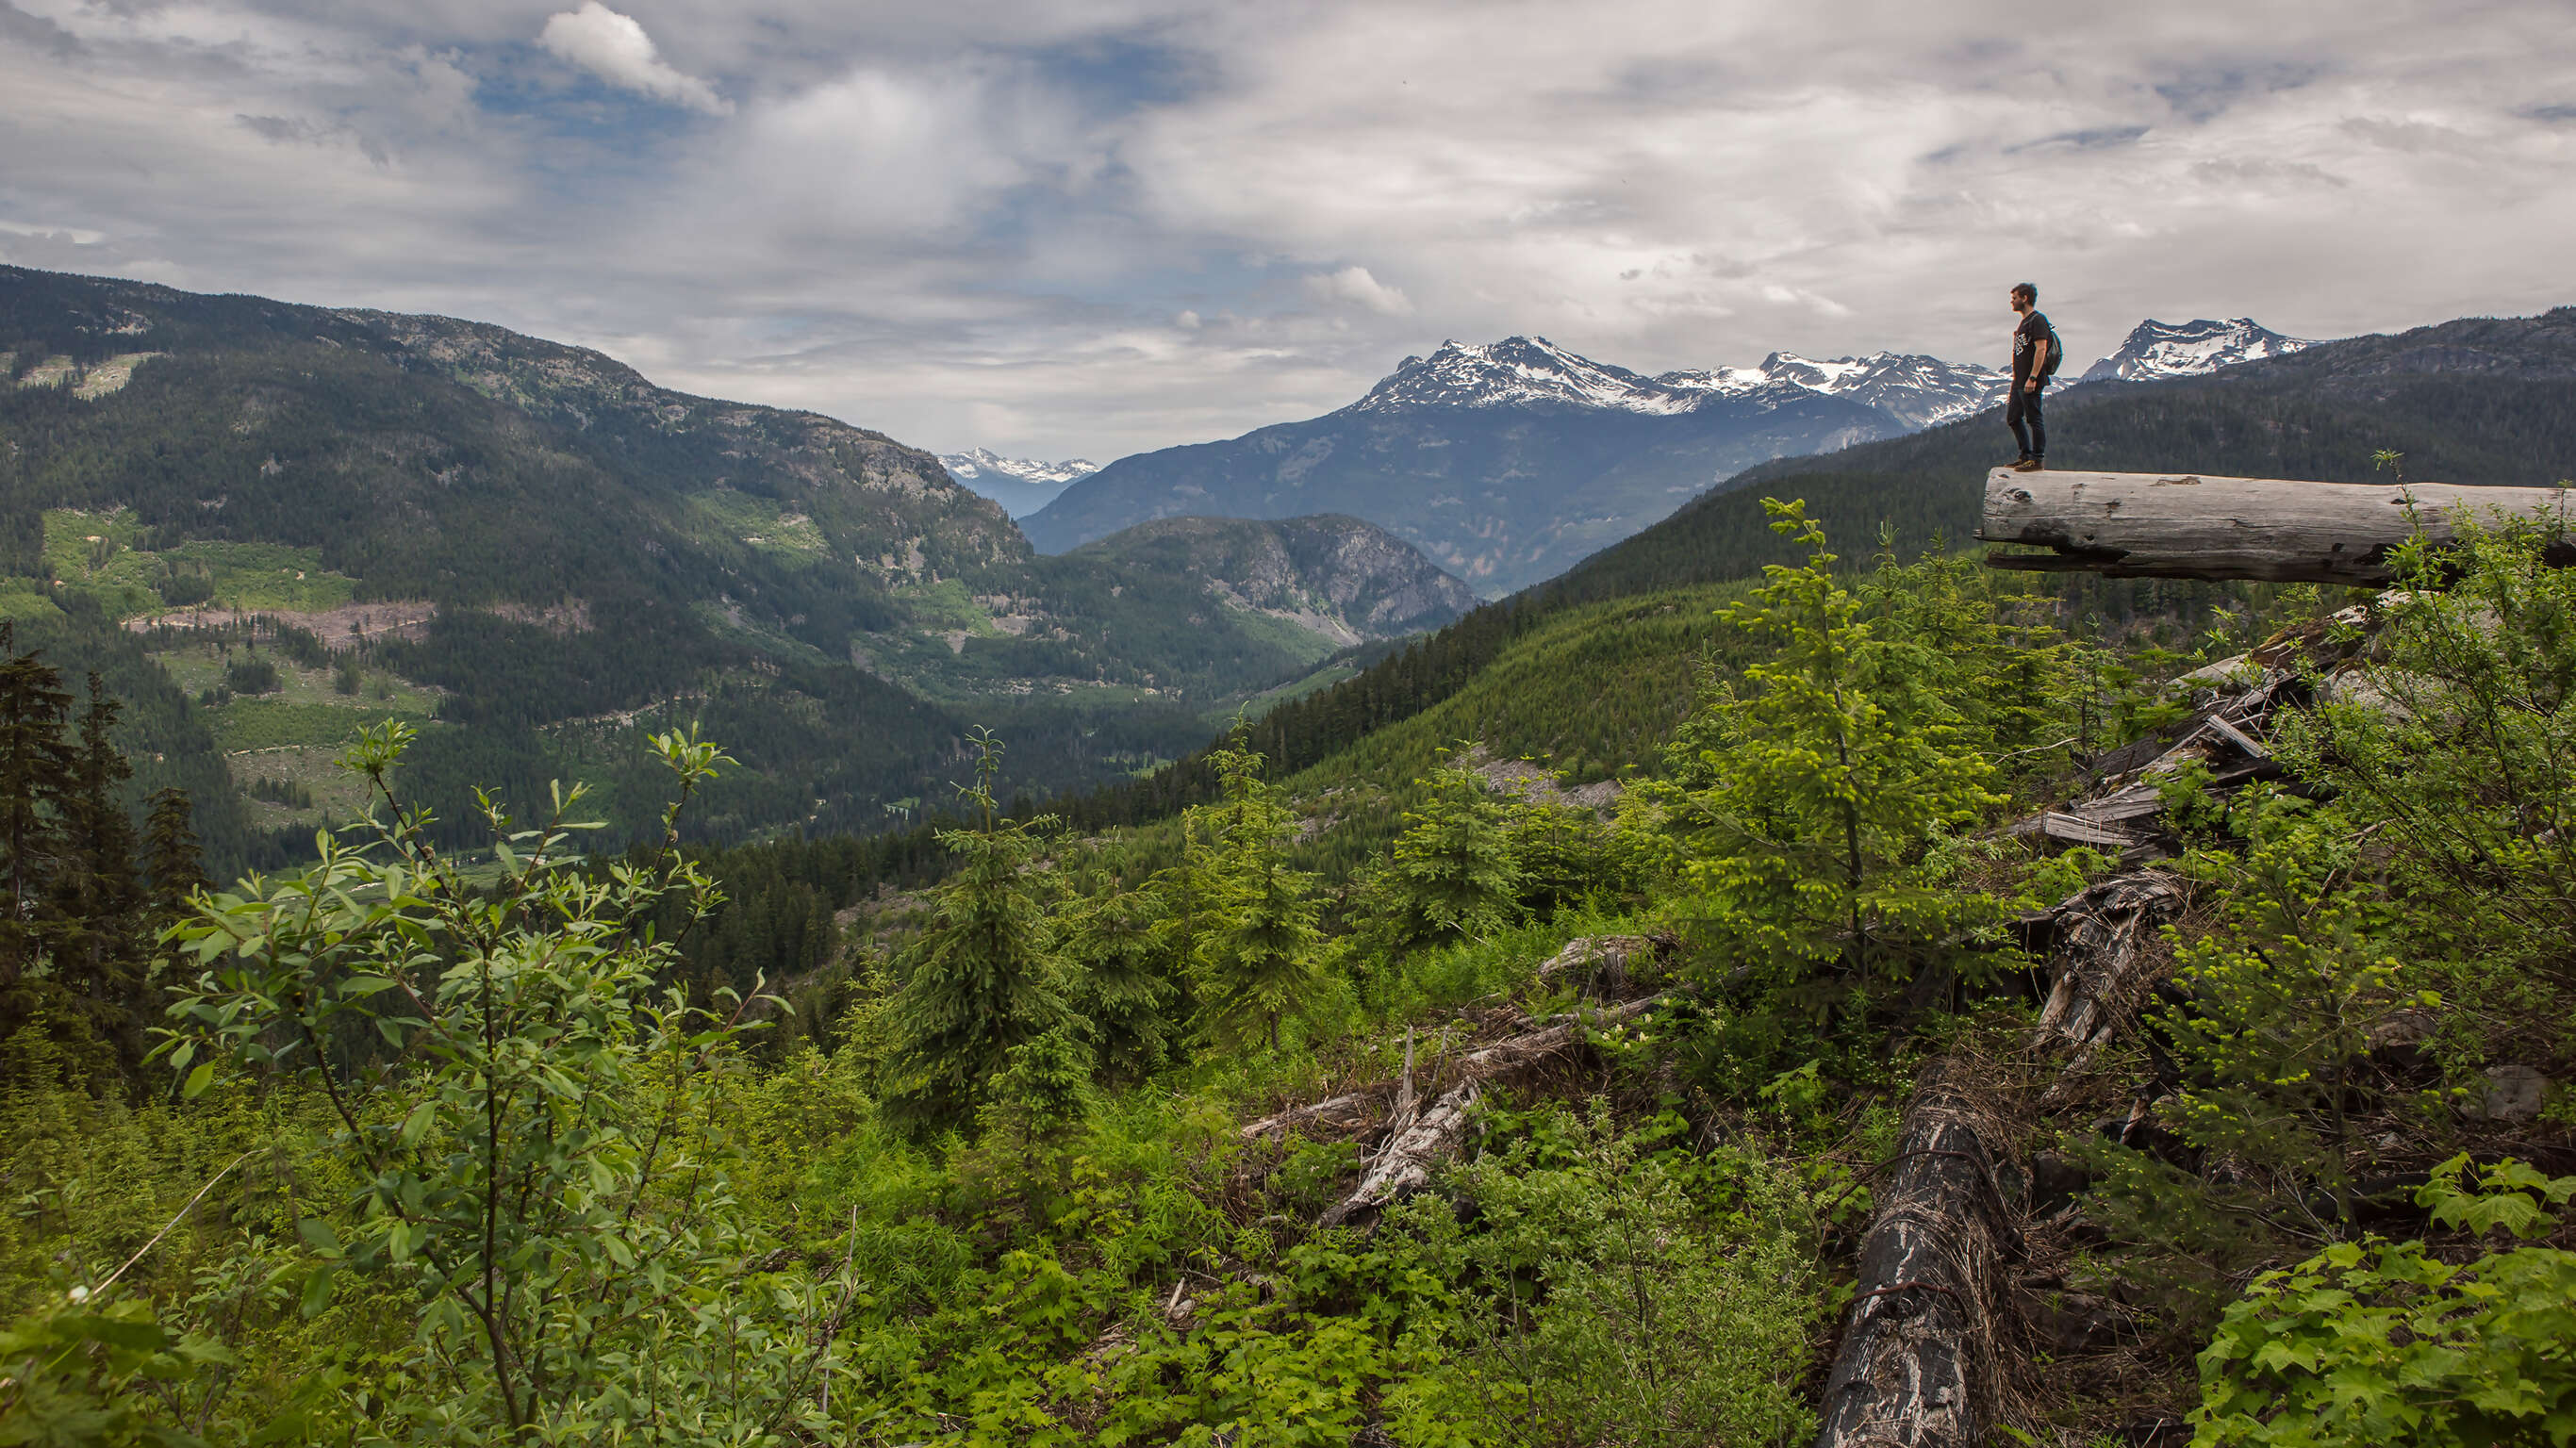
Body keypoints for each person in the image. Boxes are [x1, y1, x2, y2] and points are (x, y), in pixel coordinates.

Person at [2006, 282, 2051, 472]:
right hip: (2019, 381)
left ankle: (2037, 459)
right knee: (2013, 418)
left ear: (2024, 298)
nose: (2012, 301)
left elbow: (2041, 349)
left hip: (2030, 380)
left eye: (2014, 298)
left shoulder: (2037, 320)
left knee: (2034, 419)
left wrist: (2033, 377)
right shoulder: (2024, 322)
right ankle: (2025, 455)